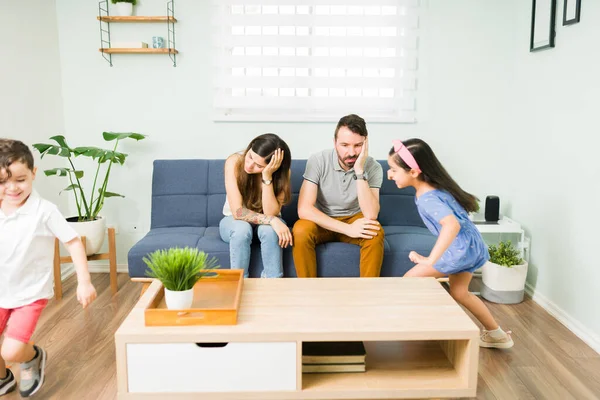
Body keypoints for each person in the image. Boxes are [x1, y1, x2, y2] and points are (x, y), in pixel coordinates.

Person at [387, 138, 513, 349]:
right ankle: (497, 335)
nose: (389, 175)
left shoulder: (428, 198)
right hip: (470, 247)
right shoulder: (436, 188)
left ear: (414, 172)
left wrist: (430, 260)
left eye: (393, 170)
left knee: (409, 280)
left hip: (460, 250)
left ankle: (421, 329)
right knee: (460, 292)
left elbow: (451, 225)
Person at [0, 139, 97, 398]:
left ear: (33, 172)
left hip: (28, 294)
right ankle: (3, 378)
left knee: (10, 351)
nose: (11, 188)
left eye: (20, 179)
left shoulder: (44, 211)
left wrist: (84, 281)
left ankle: (32, 356)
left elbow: (73, 242)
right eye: (2, 182)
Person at [293, 114, 385, 278]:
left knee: (375, 233)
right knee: (300, 230)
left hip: (354, 218)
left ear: (366, 144)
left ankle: (369, 294)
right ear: (334, 142)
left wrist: (359, 170)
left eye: (358, 145)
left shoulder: (373, 167)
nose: (351, 152)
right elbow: (304, 209)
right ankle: (307, 291)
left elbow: (371, 214)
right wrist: (347, 229)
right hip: (322, 219)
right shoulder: (318, 160)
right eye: (344, 145)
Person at [220, 133, 293, 278]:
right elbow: (238, 212)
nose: (249, 165)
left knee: (270, 231)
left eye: (258, 165)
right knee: (242, 229)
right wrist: (272, 220)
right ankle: (239, 282)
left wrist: (267, 177)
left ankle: (273, 284)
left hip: (264, 223)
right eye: (250, 156)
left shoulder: (282, 174)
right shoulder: (234, 162)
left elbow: (270, 212)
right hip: (234, 222)